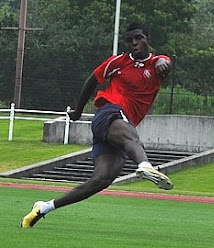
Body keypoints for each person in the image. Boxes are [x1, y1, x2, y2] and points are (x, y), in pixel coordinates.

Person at [21, 22, 173, 228]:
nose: (134, 43)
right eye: (130, 40)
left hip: (119, 127)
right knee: (131, 135)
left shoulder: (158, 63)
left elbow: (164, 62)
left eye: (139, 38)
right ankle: (145, 165)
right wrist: (78, 110)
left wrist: (163, 62)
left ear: (148, 39)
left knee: (101, 179)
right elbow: (91, 80)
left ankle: (44, 207)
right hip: (108, 113)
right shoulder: (118, 61)